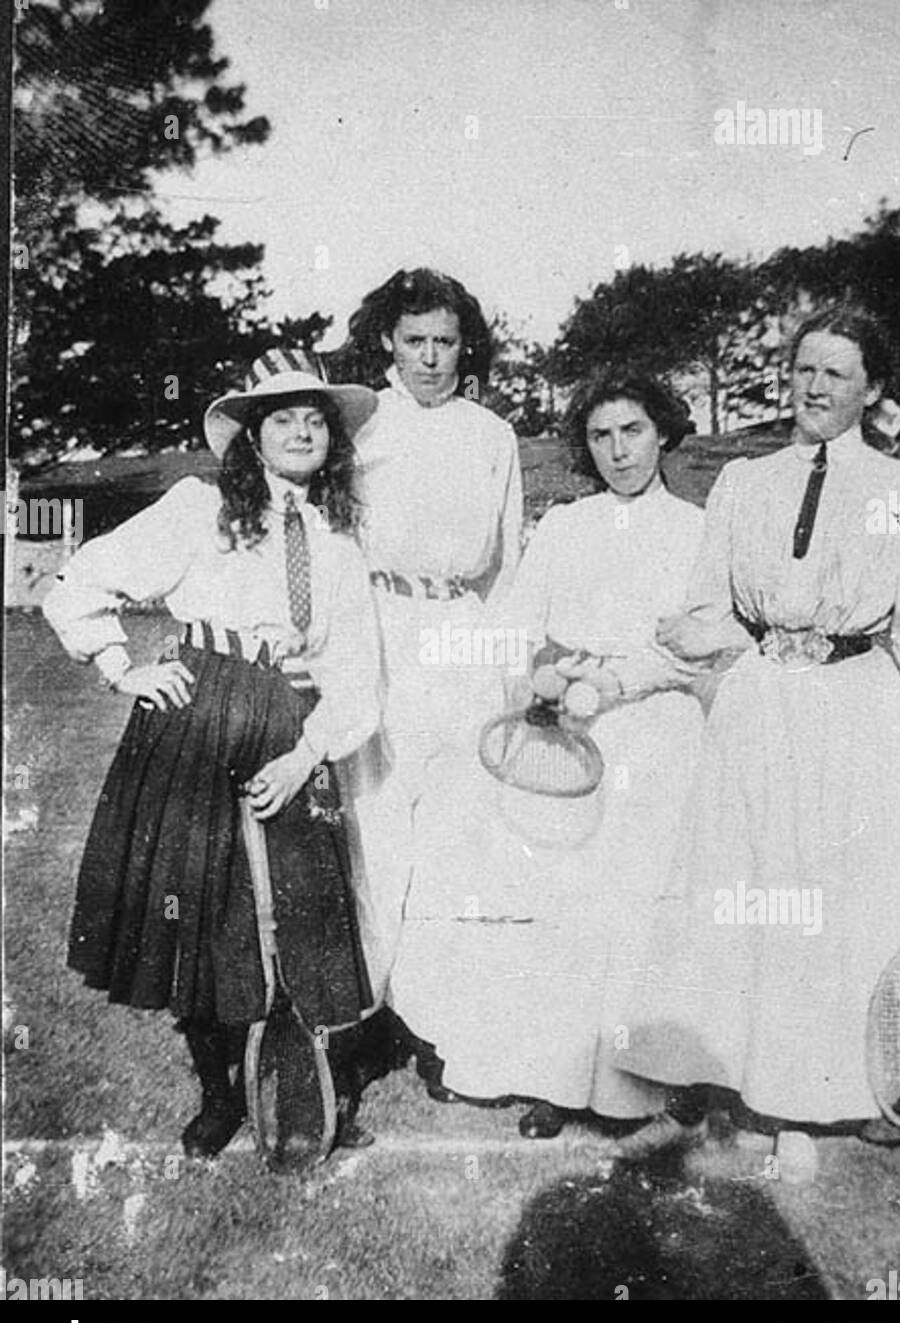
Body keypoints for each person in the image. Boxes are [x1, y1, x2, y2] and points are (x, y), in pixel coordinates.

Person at [613, 307, 900, 1157]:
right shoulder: (746, 483)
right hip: (762, 706)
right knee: (754, 888)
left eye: (836, 373)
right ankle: (757, 1082)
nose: (814, 387)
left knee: (851, 899)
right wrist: (717, 645)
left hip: (857, 705)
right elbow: (706, 608)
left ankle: (868, 1081)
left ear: (872, 390)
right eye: (803, 369)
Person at [43, 349, 384, 1160]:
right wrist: (124, 666)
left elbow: (357, 669)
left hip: (290, 722)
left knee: (297, 908)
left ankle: (303, 1081)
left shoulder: (337, 534)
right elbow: (83, 581)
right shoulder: (200, 507)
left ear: (330, 438)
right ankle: (219, 1094)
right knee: (198, 909)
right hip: (199, 715)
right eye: (282, 418)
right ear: (252, 436)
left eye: (314, 419)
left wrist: (307, 755)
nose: (301, 431)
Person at [390, 370, 708, 1136]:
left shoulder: (699, 529)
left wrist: (615, 683)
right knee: (559, 908)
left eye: (632, 430)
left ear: (663, 432)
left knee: (643, 908)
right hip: (568, 736)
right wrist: (541, 672)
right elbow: (520, 622)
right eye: (600, 436)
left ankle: (646, 1082)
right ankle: (555, 1079)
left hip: (657, 733)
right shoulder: (566, 525)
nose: (618, 450)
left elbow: (696, 647)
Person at [342, 267, 523, 1094]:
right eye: (413, 340)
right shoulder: (360, 424)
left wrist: (507, 670)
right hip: (377, 629)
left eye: (444, 341)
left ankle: (439, 1027)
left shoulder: (492, 435)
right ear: (387, 339)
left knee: (456, 836)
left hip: (462, 639)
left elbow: (508, 566)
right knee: (373, 831)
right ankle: (361, 1021)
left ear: (464, 345)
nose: (428, 357)